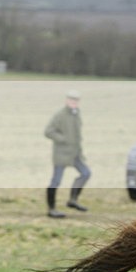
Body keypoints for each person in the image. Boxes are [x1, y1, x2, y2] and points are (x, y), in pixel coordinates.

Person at [44, 90, 91, 218]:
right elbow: (48, 131)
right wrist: (63, 139)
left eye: (76, 101)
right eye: (71, 100)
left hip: (75, 154)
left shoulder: (76, 114)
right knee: (56, 181)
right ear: (66, 101)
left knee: (86, 173)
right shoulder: (60, 115)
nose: (74, 102)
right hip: (61, 154)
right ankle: (51, 209)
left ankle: (72, 200)